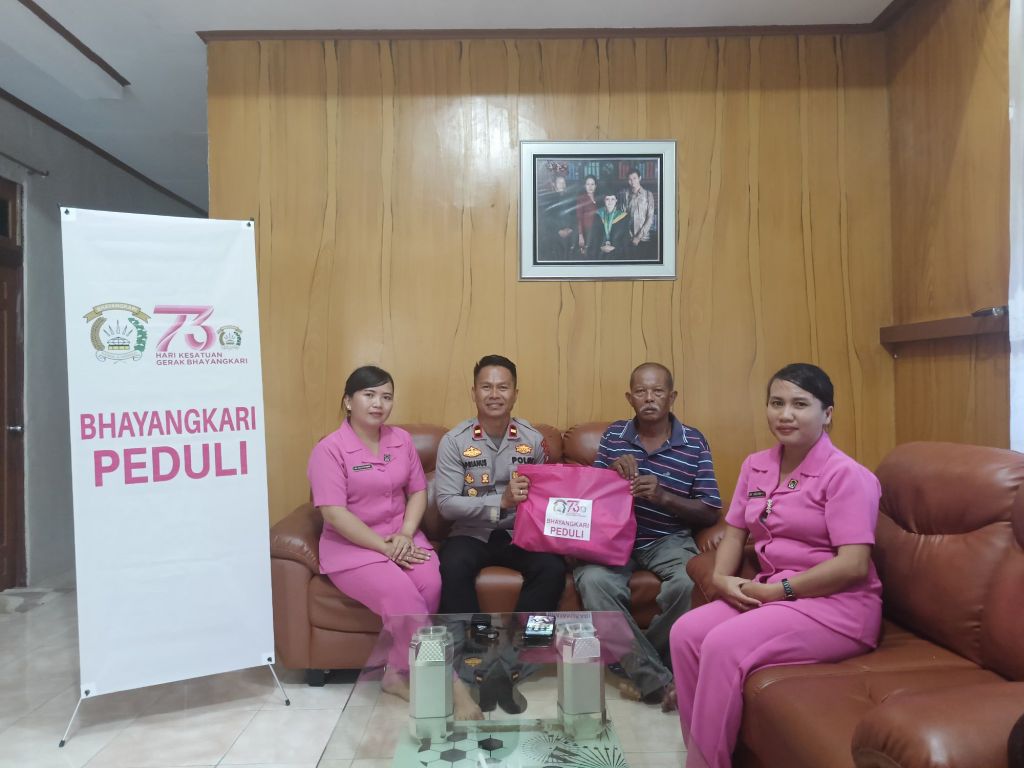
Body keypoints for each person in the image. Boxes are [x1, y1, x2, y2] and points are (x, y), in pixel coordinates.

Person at [669, 363, 883, 768]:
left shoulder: (847, 476)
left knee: (722, 644)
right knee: (685, 633)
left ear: (827, 413)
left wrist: (778, 591)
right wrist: (722, 579)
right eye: (776, 403)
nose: (785, 415)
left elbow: (854, 565)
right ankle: (703, 751)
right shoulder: (757, 464)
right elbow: (735, 531)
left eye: (800, 404)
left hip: (837, 607)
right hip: (774, 591)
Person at [574, 363, 722, 707]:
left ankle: (634, 665)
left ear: (672, 397)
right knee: (593, 581)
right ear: (630, 398)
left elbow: (710, 510)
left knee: (690, 583)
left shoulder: (694, 442)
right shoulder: (614, 436)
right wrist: (611, 475)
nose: (649, 398)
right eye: (641, 392)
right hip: (614, 538)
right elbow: (588, 498)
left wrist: (663, 497)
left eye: (657, 391)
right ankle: (659, 680)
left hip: (668, 538)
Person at [307, 365, 440, 700]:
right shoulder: (329, 449)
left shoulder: (401, 440)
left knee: (431, 583)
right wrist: (384, 547)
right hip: (353, 548)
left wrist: (406, 534)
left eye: (386, 397)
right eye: (369, 395)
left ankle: (395, 673)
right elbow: (334, 513)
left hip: (401, 538)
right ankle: (440, 675)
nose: (378, 403)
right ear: (348, 401)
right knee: (403, 596)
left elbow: (418, 491)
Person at [436, 354, 565, 614]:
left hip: (518, 533)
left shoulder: (533, 439)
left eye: (503, 387)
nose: (494, 395)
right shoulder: (454, 441)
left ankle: (525, 636)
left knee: (552, 568)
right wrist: (501, 502)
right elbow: (446, 504)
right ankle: (471, 637)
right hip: (471, 532)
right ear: (474, 393)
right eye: (486, 387)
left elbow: (544, 499)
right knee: (452, 564)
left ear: (515, 394)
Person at [620, 167, 656, 260]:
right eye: (630, 179)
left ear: (640, 178)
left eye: (634, 178)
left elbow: (650, 217)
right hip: (628, 238)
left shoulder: (648, 195)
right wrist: (629, 235)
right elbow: (623, 216)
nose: (632, 181)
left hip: (644, 238)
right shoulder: (625, 195)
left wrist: (638, 237)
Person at [538, 175, 577, 261]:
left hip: (570, 234)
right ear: (554, 185)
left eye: (563, 182)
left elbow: (574, 215)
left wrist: (570, 228)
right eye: (559, 183)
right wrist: (558, 231)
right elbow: (547, 218)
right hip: (554, 235)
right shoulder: (549, 199)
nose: (562, 185)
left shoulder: (571, 198)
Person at [586, 190, 631, 259]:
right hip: (600, 252)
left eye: (612, 199)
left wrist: (615, 247)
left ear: (616, 200)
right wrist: (601, 247)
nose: (610, 202)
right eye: (607, 199)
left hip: (617, 253)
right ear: (604, 200)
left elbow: (625, 237)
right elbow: (594, 236)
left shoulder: (623, 217)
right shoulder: (598, 215)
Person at [575, 174, 599, 255]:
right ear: (584, 186)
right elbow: (579, 218)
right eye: (588, 184)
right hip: (586, 232)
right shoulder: (581, 199)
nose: (590, 187)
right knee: (587, 254)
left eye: (592, 184)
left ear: (596, 186)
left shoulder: (599, 198)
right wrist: (580, 235)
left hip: (598, 232)